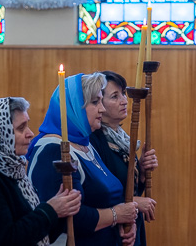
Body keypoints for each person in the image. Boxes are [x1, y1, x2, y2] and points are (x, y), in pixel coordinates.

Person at [27, 73, 138, 246]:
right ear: (74, 107)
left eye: (101, 101)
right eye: (95, 102)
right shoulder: (52, 150)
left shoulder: (85, 144)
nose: (102, 109)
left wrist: (124, 223)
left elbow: (109, 197)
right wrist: (116, 215)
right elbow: (70, 217)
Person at [0, 97, 81, 246]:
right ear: (1, 134)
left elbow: (39, 235)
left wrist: (63, 208)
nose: (30, 133)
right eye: (21, 128)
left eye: (27, 126)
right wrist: (50, 210)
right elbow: (5, 240)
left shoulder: (15, 172)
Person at [89, 71, 158, 246]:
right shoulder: (94, 140)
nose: (124, 100)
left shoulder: (121, 138)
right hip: (107, 231)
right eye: (115, 96)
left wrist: (141, 172)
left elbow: (130, 188)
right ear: (98, 103)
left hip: (130, 224)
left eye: (124, 94)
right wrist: (134, 203)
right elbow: (97, 194)